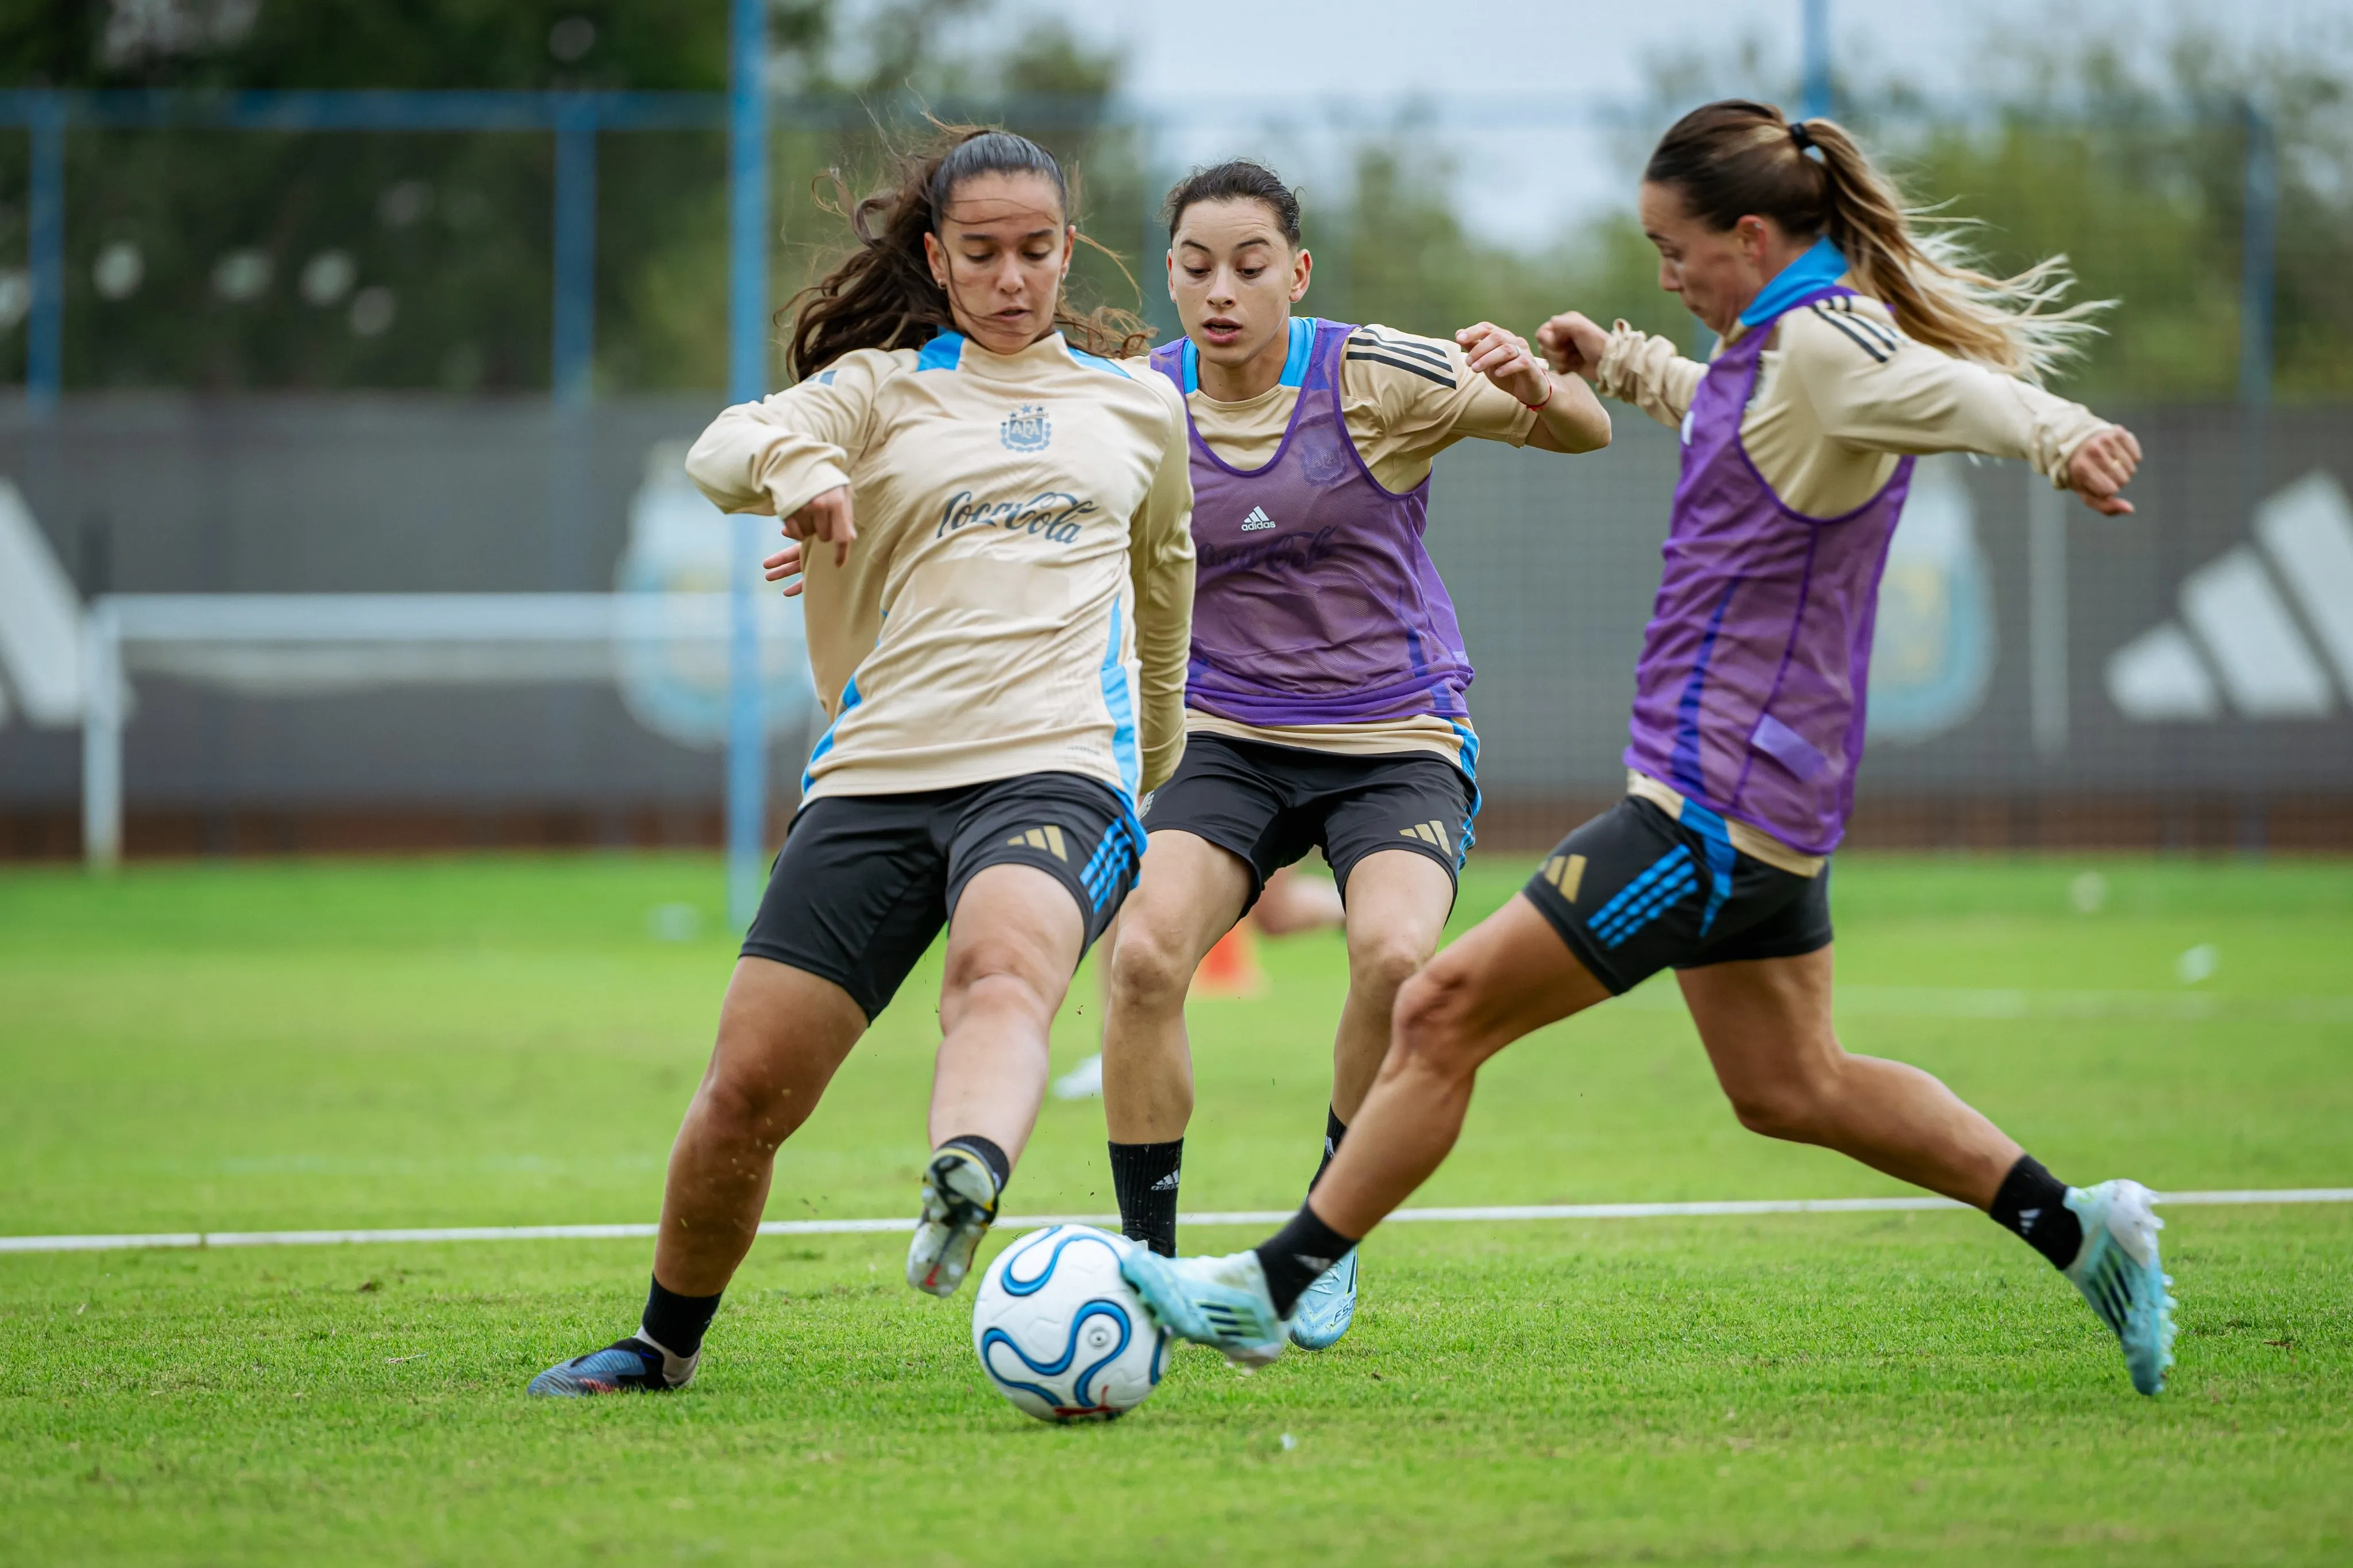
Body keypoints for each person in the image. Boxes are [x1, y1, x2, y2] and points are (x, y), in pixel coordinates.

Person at [1120, 101, 2177, 1398]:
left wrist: (2057, 434)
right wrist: (1617, 361)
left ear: (1743, 235)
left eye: (1670, 250)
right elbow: (1732, 407)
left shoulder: (1829, 339)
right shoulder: (1768, 343)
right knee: (1792, 1086)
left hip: (1713, 809)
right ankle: (2086, 1232)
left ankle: (1265, 1287)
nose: (1663, 275)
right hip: (1757, 799)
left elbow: (1937, 389)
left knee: (1439, 1006)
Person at [528, 128, 1195, 1396]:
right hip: (877, 776)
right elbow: (721, 448)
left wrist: (1145, 764)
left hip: (1058, 770)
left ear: (1068, 251)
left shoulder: (1137, 404)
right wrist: (807, 470)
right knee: (745, 1092)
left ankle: (966, 1174)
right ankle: (660, 1347)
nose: (1012, 277)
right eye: (984, 253)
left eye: (1036, 251)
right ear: (939, 260)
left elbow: (1164, 591)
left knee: (998, 977)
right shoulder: (879, 393)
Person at [1097, 160, 1611, 1351]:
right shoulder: (1132, 400)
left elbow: (1579, 432)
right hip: (1226, 735)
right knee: (1140, 961)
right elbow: (1004, 497)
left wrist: (1540, 384)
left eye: (1247, 265)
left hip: (1395, 735)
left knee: (1393, 959)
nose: (1219, 290)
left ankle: (1321, 1248)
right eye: (1193, 266)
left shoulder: (1376, 372)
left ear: (1297, 273)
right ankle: (1146, 1271)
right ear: (1168, 277)